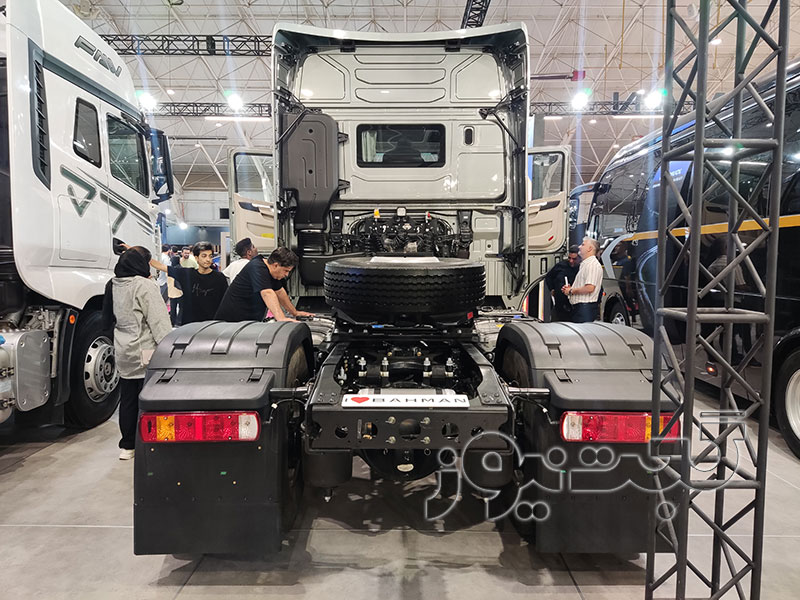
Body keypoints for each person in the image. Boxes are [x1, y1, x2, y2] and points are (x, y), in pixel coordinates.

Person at [102, 246, 171, 460]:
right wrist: (170, 349)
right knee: (152, 399)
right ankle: (152, 443)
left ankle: (128, 445)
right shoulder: (144, 285)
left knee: (128, 399)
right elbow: (158, 322)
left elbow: (106, 320)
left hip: (123, 350)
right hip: (147, 351)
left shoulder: (112, 284)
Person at [215, 247, 315, 322]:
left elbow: (280, 293)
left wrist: (294, 312)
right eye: (286, 270)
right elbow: (267, 293)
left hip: (247, 322)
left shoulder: (272, 272)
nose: (286, 275)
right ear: (276, 265)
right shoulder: (257, 267)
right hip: (230, 323)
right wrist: (281, 318)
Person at [151, 241, 228, 324]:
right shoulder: (187, 274)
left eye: (210, 256)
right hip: (190, 324)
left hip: (212, 324)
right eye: (204, 256)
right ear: (196, 258)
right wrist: (145, 257)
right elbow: (162, 267)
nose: (208, 259)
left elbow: (225, 302)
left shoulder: (220, 278)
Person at [562, 237, 604, 323]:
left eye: (583, 244)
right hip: (581, 309)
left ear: (590, 248)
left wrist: (571, 291)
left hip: (584, 310)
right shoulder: (586, 264)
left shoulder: (592, 265)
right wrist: (570, 289)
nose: (579, 247)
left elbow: (589, 288)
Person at [544, 245, 579, 321]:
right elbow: (549, 277)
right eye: (569, 258)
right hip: (559, 304)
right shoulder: (561, 265)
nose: (571, 261)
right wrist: (552, 289)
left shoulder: (582, 269)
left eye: (574, 259)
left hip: (574, 306)